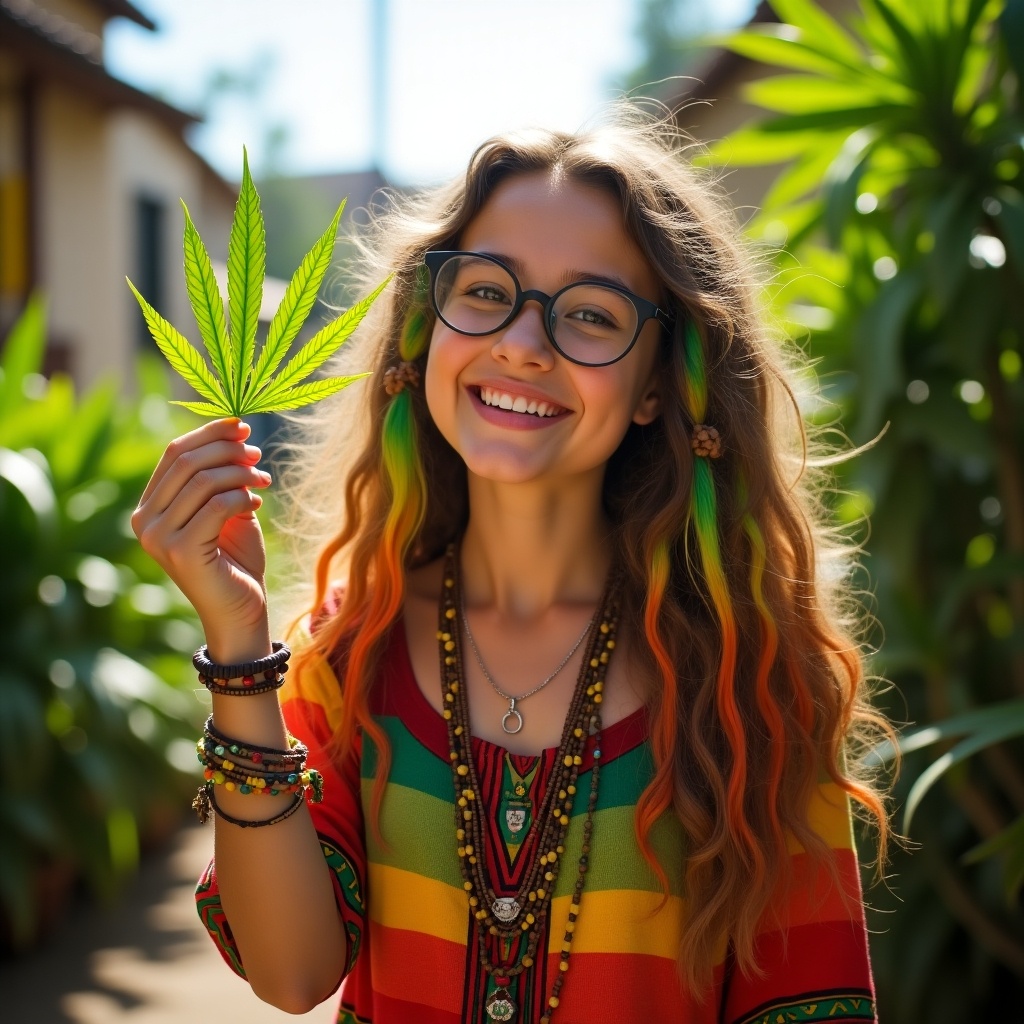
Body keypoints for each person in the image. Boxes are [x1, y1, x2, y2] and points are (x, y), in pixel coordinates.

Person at [133, 108, 891, 1024]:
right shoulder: (344, 651)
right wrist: (239, 643)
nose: (524, 344)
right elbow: (289, 976)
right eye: (487, 292)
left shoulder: (757, 686)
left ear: (659, 383)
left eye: (591, 314)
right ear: (426, 331)